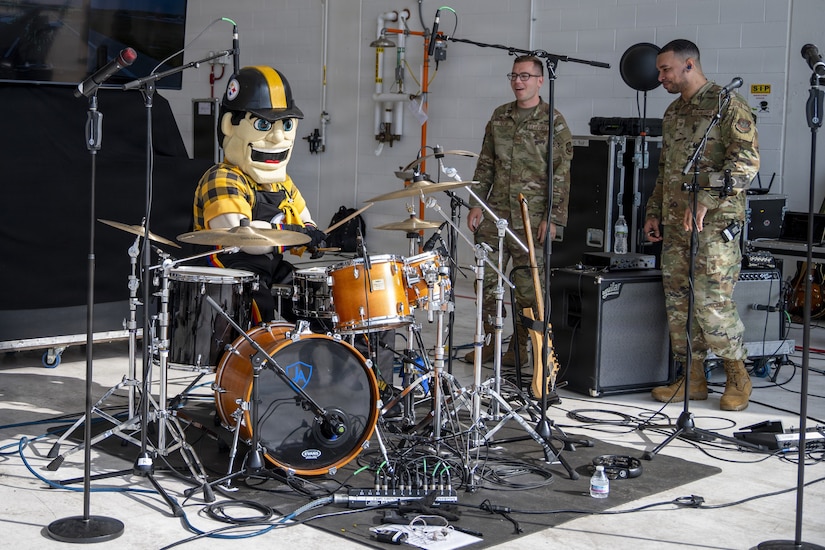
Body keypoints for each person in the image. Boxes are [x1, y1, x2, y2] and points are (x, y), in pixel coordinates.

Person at [644, 40, 760, 411]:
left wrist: (707, 198)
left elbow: (745, 165)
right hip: (678, 223)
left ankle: (737, 375)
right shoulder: (673, 112)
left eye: (666, 70)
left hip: (714, 224)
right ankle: (692, 378)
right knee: (679, 301)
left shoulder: (729, 106)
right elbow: (665, 170)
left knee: (712, 301)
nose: (660, 77)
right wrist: (653, 210)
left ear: (688, 64)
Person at [463, 55, 574, 368]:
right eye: (513, 75)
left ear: (540, 80)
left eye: (525, 76)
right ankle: (491, 342)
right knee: (485, 282)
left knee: (528, 288)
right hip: (495, 212)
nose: (518, 82)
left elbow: (561, 175)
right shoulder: (500, 117)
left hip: (531, 216)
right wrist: (476, 203)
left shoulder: (554, 121)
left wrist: (552, 219)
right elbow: (485, 163)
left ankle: (522, 348)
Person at [193, 65, 326, 324]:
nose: (278, 137)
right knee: (260, 321)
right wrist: (296, 236)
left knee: (315, 301)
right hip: (228, 275)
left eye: (286, 125)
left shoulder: (281, 183)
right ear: (230, 125)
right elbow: (243, 237)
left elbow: (302, 215)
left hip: (271, 267)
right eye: (263, 124)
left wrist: (312, 234)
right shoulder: (222, 177)